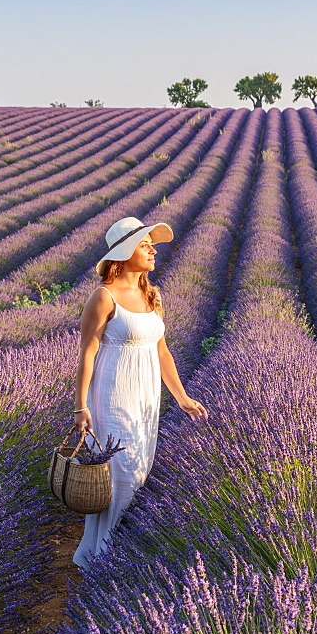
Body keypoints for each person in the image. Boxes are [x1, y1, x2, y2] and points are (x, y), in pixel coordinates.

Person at [72, 215, 208, 568]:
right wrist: (80, 406)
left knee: (140, 470)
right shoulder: (103, 297)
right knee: (119, 473)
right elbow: (87, 352)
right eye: (145, 245)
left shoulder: (152, 295)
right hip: (112, 394)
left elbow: (161, 351)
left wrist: (182, 397)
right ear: (126, 252)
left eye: (151, 245)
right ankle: (96, 556)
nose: (152, 251)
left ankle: (112, 553)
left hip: (146, 397)